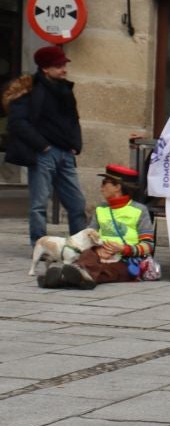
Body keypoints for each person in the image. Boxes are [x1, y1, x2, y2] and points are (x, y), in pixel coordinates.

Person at [12, 47, 87, 247]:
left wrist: (75, 145)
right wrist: (42, 146)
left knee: (77, 203)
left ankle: (79, 246)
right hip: (43, 154)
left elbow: (73, 120)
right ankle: (40, 245)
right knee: (39, 204)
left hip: (66, 153)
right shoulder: (30, 89)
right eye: (59, 65)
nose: (64, 69)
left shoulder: (65, 90)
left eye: (64, 65)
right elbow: (18, 122)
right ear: (45, 69)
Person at [42, 167, 154, 289]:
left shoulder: (139, 210)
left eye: (104, 183)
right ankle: (80, 277)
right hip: (98, 255)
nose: (101, 188)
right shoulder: (101, 209)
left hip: (126, 259)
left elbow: (148, 245)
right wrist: (98, 248)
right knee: (88, 254)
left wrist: (123, 249)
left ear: (118, 187)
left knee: (110, 270)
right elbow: (89, 235)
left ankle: (67, 278)